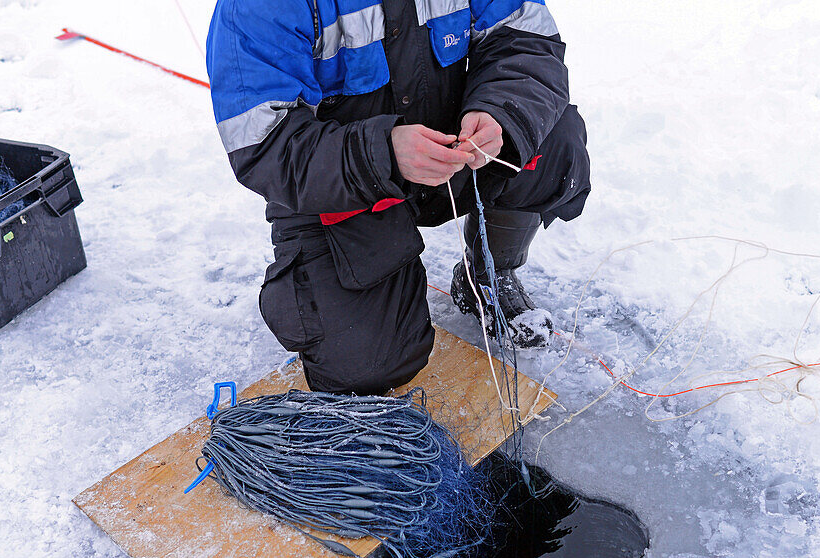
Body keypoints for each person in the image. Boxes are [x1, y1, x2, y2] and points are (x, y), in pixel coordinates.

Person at [207, 0, 590, 394]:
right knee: (365, 366)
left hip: (454, 157)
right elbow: (265, 145)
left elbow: (525, 42)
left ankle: (488, 274)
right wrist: (382, 155)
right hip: (341, 189)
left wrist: (498, 116)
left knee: (551, 138)